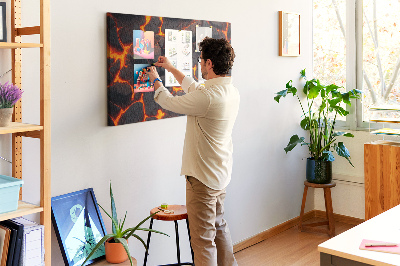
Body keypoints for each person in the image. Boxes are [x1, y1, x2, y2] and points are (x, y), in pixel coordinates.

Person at [144, 37, 239, 266]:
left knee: (203, 241)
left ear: (209, 63)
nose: (199, 65)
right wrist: (170, 68)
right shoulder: (230, 92)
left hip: (202, 179)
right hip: (219, 175)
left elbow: (168, 101)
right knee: (219, 229)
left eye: (200, 61)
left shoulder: (207, 97)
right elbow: (194, 87)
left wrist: (155, 79)